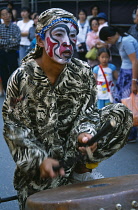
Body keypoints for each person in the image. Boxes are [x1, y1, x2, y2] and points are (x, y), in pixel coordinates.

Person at [2, 8, 133, 210]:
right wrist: (39, 161)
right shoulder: (22, 78)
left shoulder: (82, 71)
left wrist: (85, 135)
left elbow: (88, 113)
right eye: (58, 35)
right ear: (40, 40)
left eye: (72, 36)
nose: (67, 42)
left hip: (74, 150)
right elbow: (13, 128)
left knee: (119, 113)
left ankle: (81, 169)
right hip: (43, 162)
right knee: (42, 202)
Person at [99, 26, 138, 143]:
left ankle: (130, 133)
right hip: (125, 73)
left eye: (106, 41)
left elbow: (135, 61)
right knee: (121, 102)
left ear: (109, 38)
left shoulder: (126, 41)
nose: (108, 43)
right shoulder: (121, 39)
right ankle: (122, 130)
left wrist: (134, 81)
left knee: (127, 103)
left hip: (130, 74)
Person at [0, 7, 21, 92]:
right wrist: (10, 40)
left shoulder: (15, 27)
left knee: (14, 72)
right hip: (1, 53)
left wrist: (3, 41)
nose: (6, 16)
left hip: (12, 53)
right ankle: (6, 92)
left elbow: (17, 41)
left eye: (7, 13)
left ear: (10, 14)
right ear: (1, 16)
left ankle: (15, 91)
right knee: (3, 72)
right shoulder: (0, 27)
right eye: (3, 14)